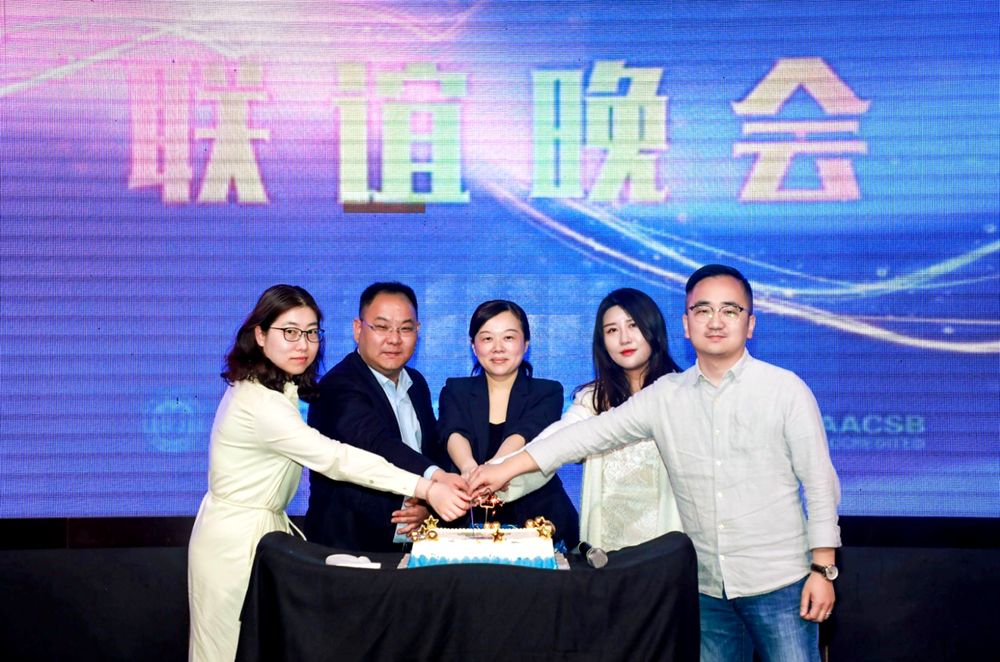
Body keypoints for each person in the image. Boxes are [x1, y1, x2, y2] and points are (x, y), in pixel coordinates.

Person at [471, 266, 841, 662]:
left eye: (729, 311)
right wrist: (502, 469)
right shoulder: (666, 395)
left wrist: (823, 569)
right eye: (703, 311)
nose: (715, 322)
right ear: (686, 324)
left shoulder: (784, 390)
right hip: (703, 586)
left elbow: (820, 483)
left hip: (778, 581)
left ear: (749, 324)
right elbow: (581, 435)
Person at [188, 285, 469, 662]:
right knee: (229, 650)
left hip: (261, 533)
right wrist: (426, 486)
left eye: (311, 332)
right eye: (289, 332)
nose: (302, 344)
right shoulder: (263, 403)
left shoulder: (276, 389)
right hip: (236, 542)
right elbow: (338, 458)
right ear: (260, 334)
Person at [304, 282, 466, 552]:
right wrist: (434, 482)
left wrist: (429, 506)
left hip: (410, 547)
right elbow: (379, 444)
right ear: (358, 329)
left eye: (405, 328)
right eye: (381, 327)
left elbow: (431, 450)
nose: (394, 339)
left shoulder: (416, 382)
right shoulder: (337, 386)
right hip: (349, 549)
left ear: (417, 331)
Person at [536, 288, 683, 551]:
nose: (624, 339)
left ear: (654, 329)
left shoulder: (682, 394)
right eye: (612, 330)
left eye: (633, 325)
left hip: (666, 550)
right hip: (606, 552)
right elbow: (556, 439)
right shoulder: (592, 399)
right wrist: (495, 470)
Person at [437, 300, 580, 549]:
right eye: (487, 338)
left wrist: (494, 468)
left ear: (526, 344)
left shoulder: (548, 391)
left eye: (509, 338)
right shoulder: (454, 389)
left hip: (538, 516)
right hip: (467, 516)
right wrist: (469, 468)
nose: (498, 348)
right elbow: (453, 431)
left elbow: (525, 433)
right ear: (473, 346)